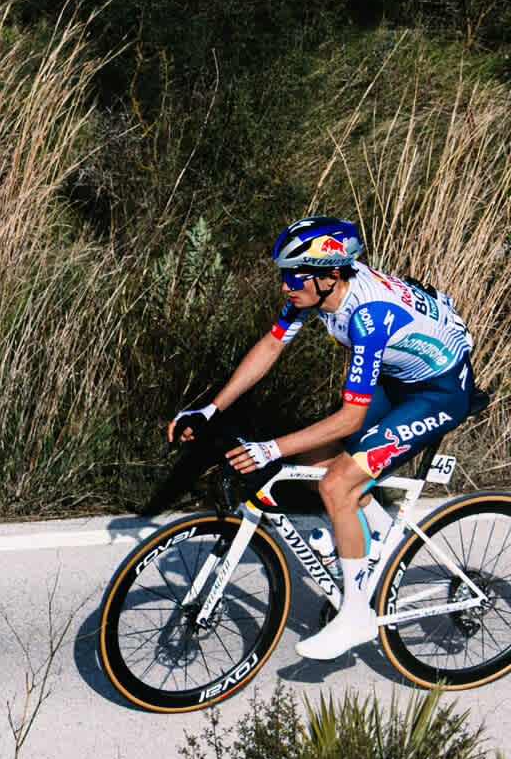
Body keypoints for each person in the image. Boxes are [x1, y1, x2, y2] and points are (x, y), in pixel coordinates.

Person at [171, 216, 480, 663]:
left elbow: (349, 418)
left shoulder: (368, 318)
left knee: (337, 484)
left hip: (439, 393)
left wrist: (269, 449)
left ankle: (356, 616)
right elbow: (271, 346)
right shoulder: (317, 292)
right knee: (316, 459)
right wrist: (210, 409)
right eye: (284, 274)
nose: (285, 286)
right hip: (399, 378)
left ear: (330, 274)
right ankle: (371, 538)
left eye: (294, 276)